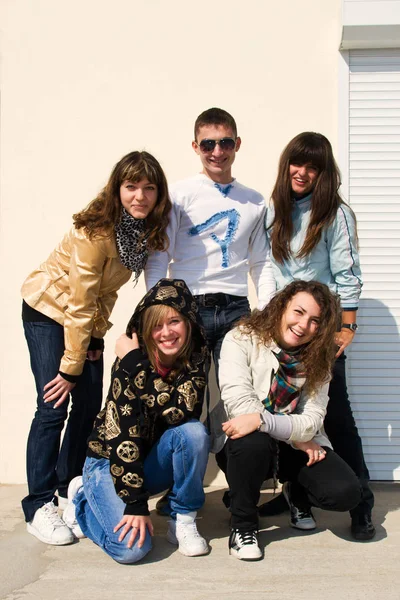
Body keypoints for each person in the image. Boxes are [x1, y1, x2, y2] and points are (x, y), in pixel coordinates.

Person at [21, 151, 171, 545]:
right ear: (117, 188)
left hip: (83, 321)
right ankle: (37, 505)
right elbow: (80, 299)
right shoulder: (98, 232)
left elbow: (105, 296)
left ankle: (67, 490)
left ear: (158, 193)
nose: (139, 195)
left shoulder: (140, 233)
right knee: (53, 404)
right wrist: (72, 363)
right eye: (131, 186)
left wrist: (96, 338)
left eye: (148, 187)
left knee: (88, 406)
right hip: (49, 310)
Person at [261, 131, 375, 541]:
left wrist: (346, 327)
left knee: (337, 419)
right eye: (297, 162)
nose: (302, 172)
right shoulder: (275, 210)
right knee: (286, 414)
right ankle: (296, 494)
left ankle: (362, 504)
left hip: (320, 331)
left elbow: (348, 277)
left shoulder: (335, 214)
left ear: (323, 172)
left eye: (313, 166)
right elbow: (269, 269)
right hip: (282, 328)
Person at [210, 280, 361, 561]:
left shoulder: (319, 356)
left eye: (315, 320)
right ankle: (243, 525)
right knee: (251, 441)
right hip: (245, 444)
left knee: (345, 493)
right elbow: (241, 405)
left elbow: (312, 420)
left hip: (293, 441)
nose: (304, 325)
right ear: (281, 307)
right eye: (298, 312)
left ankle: (296, 493)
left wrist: (270, 425)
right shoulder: (241, 338)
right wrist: (292, 435)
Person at [62, 278, 210, 563]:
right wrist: (136, 504)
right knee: (131, 550)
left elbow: (182, 411)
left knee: (193, 433)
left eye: (174, 321)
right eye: (156, 325)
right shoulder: (128, 359)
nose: (166, 333)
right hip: (109, 460)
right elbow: (122, 436)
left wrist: (138, 368)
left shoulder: (196, 356)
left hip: (150, 463)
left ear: (188, 322)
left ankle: (183, 519)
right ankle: (82, 498)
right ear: (145, 329)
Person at [145, 107, 275, 376]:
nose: (217, 152)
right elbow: (159, 255)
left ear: (237, 144)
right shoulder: (178, 195)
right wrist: (157, 308)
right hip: (187, 306)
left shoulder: (254, 201)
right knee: (186, 394)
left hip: (236, 309)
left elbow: (262, 261)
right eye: (208, 144)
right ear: (195, 147)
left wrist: (266, 312)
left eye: (225, 142)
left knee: (238, 391)